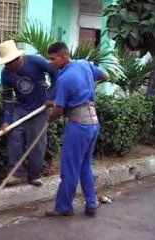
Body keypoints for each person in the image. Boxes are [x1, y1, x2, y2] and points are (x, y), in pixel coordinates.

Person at [45, 42, 107, 217]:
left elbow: (59, 110)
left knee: (70, 168)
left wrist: (49, 119)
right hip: (93, 123)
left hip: (79, 125)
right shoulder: (84, 64)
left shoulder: (65, 79)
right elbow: (105, 76)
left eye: (53, 58)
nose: (51, 62)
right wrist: (87, 90)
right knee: (85, 165)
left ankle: (63, 207)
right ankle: (92, 203)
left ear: (64, 56)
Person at [0, 40, 57, 187]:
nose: (7, 66)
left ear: (17, 59)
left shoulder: (35, 61)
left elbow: (57, 73)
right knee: (14, 137)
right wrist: (6, 120)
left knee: (37, 143)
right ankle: (15, 174)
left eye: (9, 63)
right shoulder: (6, 74)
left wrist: (51, 97)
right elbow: (8, 99)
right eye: (5, 63)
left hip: (40, 107)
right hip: (21, 108)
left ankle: (34, 176)